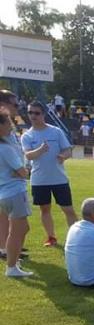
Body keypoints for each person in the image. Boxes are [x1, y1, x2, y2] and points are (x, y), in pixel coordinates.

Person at [21, 100, 77, 247]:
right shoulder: (27, 136)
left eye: (37, 113)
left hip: (59, 178)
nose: (33, 116)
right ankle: (51, 237)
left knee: (68, 209)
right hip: (39, 180)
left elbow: (68, 149)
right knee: (45, 209)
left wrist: (63, 156)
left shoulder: (56, 131)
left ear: (44, 114)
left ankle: (76, 238)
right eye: (30, 112)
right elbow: (28, 155)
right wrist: (40, 149)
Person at [0, 111, 33, 278]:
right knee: (17, 231)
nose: (11, 126)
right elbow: (23, 172)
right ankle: (11, 266)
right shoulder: (6, 148)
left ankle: (13, 261)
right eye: (7, 123)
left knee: (22, 228)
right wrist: (24, 171)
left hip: (5, 193)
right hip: (14, 192)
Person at [0, 90, 27, 263]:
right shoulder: (2, 126)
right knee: (4, 217)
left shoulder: (8, 125)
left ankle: (11, 246)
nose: (17, 108)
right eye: (14, 104)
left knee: (12, 219)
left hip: (14, 177)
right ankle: (5, 249)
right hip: (8, 181)